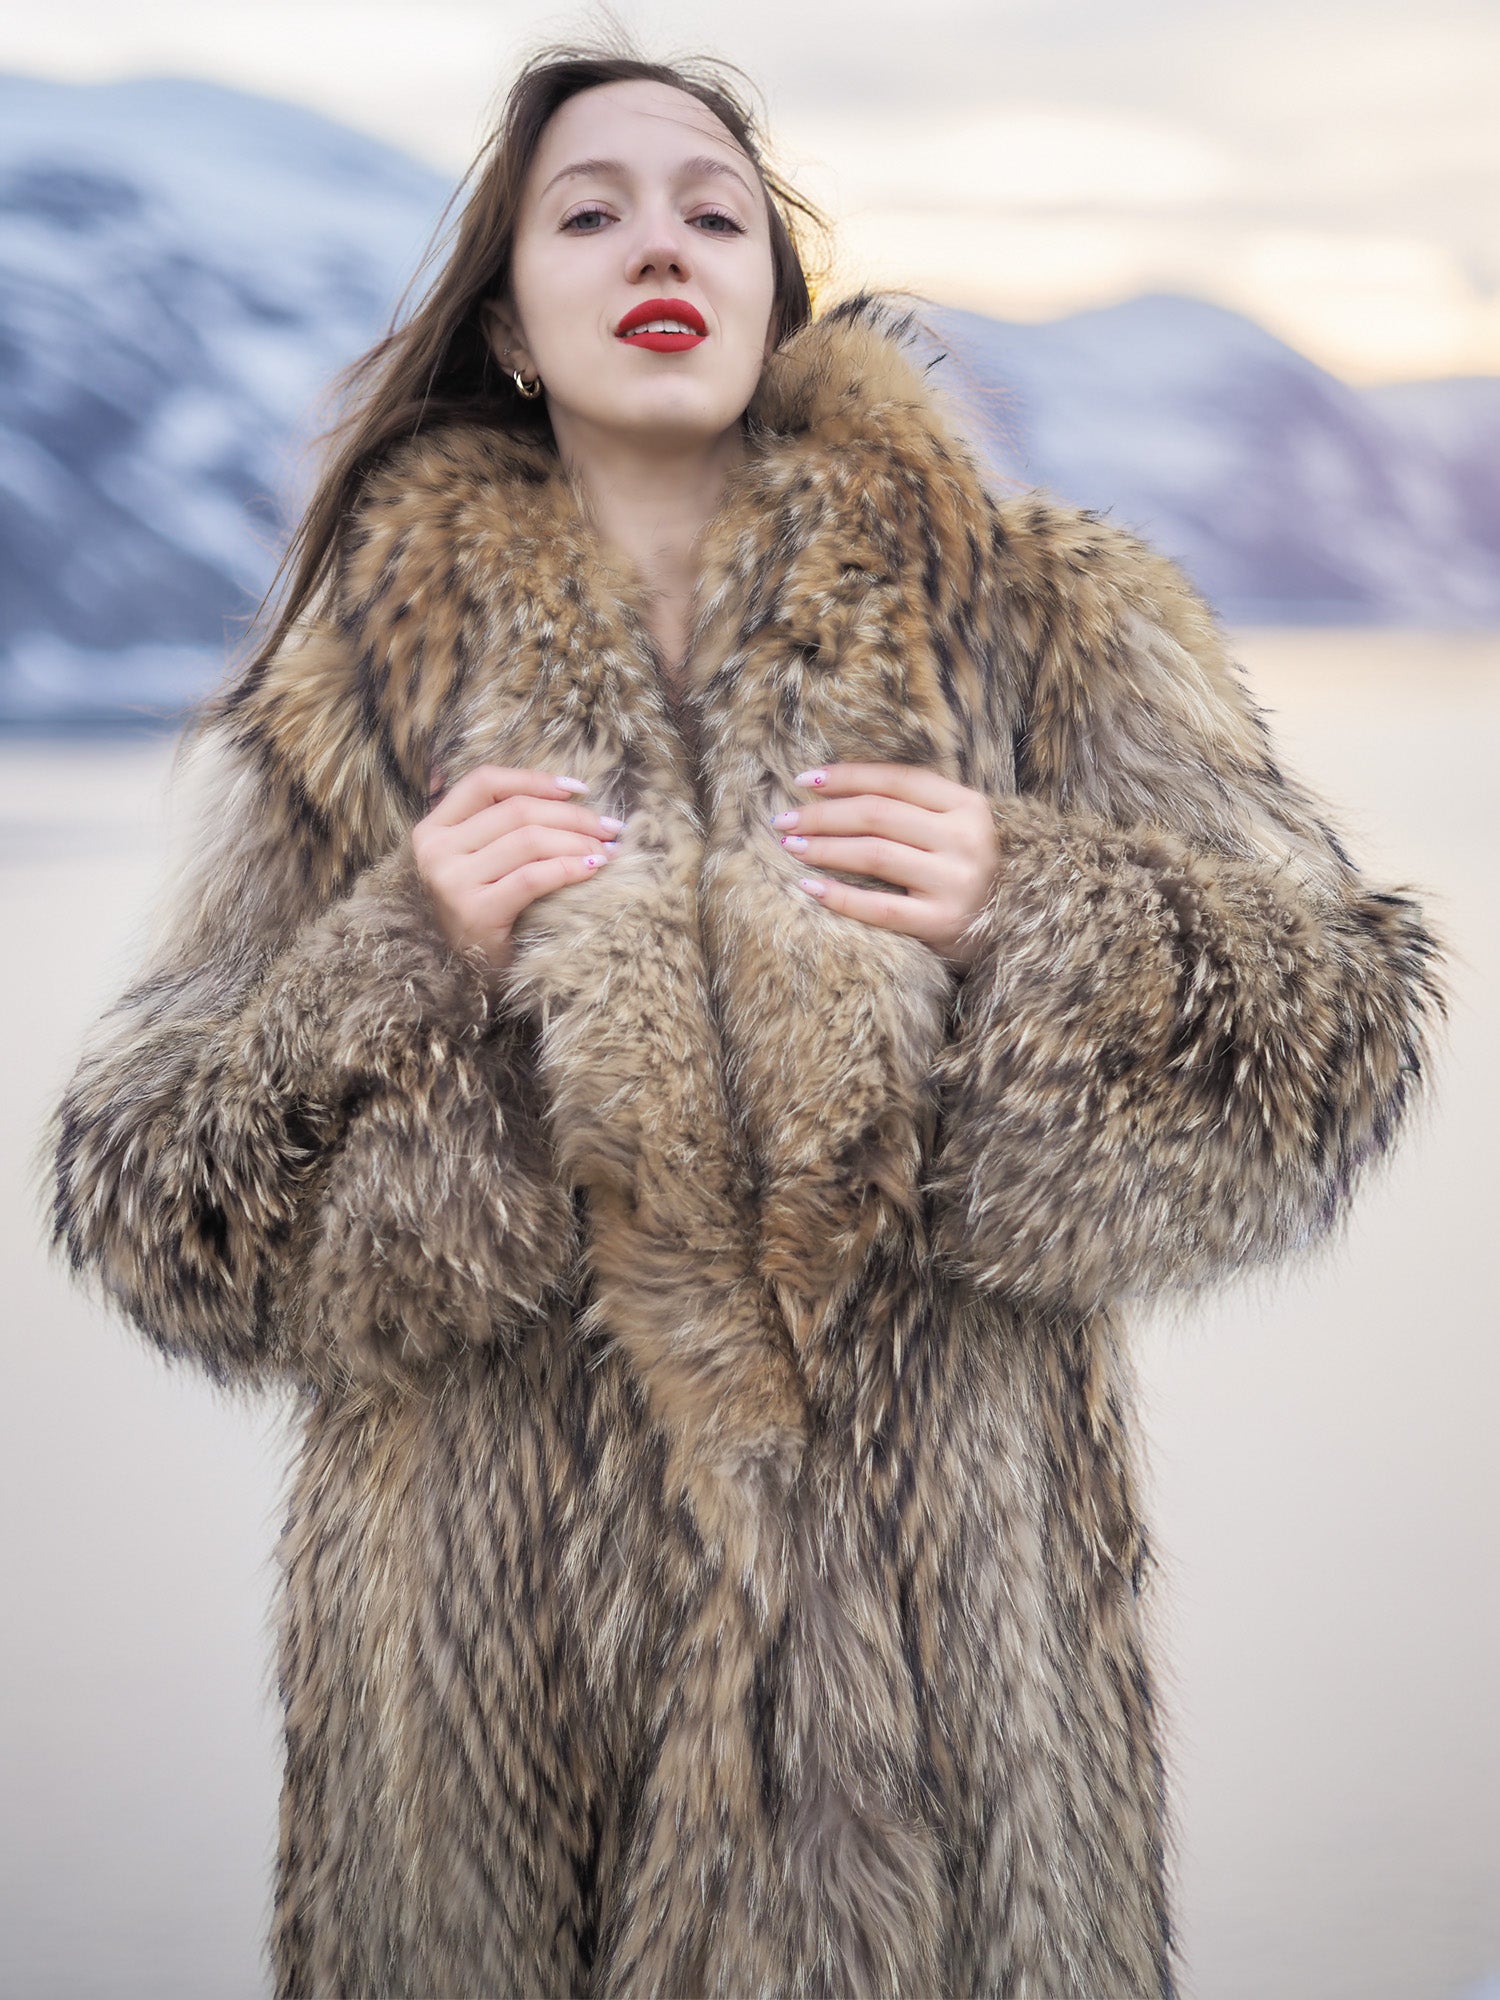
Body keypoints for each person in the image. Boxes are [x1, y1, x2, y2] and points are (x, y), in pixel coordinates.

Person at [47, 43, 1445, 2000]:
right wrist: (400, 947)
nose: (659, 244)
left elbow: (1340, 1038)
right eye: (589, 211)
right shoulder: (360, 691)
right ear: (513, 325)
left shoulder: (1047, 620)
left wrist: (1041, 904)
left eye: (714, 210)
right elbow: (158, 1210)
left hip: (946, 1749)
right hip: (481, 1764)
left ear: (777, 300)